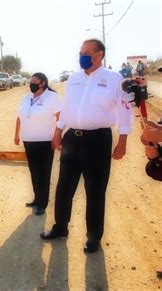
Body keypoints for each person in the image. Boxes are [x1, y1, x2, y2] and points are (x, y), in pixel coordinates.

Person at [41, 39, 133, 254]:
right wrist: (58, 131)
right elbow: (66, 108)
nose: (81, 56)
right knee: (64, 187)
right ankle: (60, 227)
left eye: (86, 53)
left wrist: (123, 141)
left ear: (99, 55)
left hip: (98, 141)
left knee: (95, 191)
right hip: (73, 138)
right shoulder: (73, 79)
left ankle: (93, 236)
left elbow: (125, 109)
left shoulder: (113, 79)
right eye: (80, 52)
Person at [14, 72, 62, 216]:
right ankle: (37, 198)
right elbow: (19, 117)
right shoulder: (27, 97)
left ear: (43, 83)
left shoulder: (52, 97)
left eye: (34, 81)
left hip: (45, 141)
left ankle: (42, 203)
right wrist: (16, 134)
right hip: (29, 140)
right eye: (31, 81)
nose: (31, 84)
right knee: (34, 172)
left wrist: (56, 137)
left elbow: (60, 118)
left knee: (44, 173)